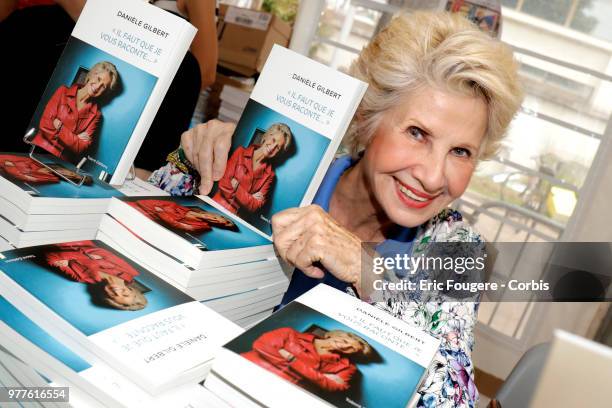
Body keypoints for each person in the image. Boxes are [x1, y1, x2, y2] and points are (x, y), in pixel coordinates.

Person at [149, 11, 522, 407]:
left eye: (461, 152)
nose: (433, 177)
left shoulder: (458, 246)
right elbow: (139, 220)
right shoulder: (293, 173)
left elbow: (452, 398)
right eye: (417, 133)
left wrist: (368, 272)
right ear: (366, 119)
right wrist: (196, 161)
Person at [30, 61, 119, 161]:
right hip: (37, 151)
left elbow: (80, 148)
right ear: (92, 74)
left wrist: (60, 128)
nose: (97, 87)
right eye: (98, 79)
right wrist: (75, 138)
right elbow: (44, 125)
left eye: (103, 86)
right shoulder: (62, 91)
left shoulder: (96, 115)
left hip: (60, 164)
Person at [241, 327, 372, 392]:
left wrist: (291, 359)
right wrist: (320, 376)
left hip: (281, 392)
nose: (344, 346)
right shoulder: (289, 332)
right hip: (246, 369)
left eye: (351, 349)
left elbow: (336, 388)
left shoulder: (347, 367)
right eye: (344, 340)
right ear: (335, 335)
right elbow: (261, 346)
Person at [211, 123, 293, 215]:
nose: (272, 147)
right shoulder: (240, 152)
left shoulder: (270, 175)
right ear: (267, 136)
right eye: (273, 140)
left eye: (278, 147)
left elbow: (255, 206)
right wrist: (249, 197)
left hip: (236, 218)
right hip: (215, 206)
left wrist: (237, 187)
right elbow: (223, 183)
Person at [43, 241, 148, 311]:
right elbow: (102, 251)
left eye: (113, 296)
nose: (116, 292)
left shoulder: (80, 278)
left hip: (49, 241)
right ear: (132, 291)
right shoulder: (130, 271)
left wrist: (90, 256)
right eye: (125, 295)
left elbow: (50, 256)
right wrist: (71, 258)